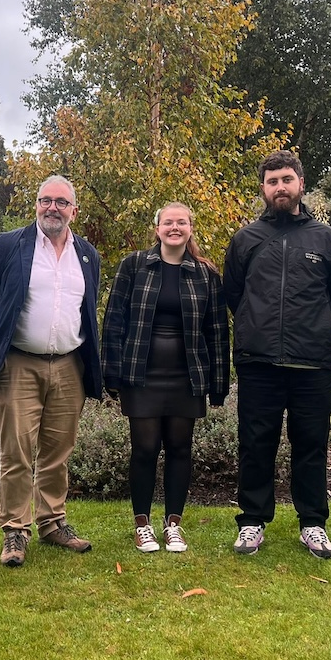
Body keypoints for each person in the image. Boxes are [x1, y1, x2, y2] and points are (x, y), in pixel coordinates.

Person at [223, 150, 331, 560]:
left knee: (311, 444)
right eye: (272, 181)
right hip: (258, 361)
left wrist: (309, 328)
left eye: (286, 179)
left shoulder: (325, 238)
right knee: (255, 443)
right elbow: (234, 295)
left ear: (300, 183)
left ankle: (312, 523)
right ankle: (252, 523)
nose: (280, 187)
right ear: (263, 188)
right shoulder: (246, 239)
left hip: (312, 362)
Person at [0, 175, 102, 567]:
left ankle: (52, 522)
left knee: (57, 451)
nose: (52, 208)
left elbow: (87, 309)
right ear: (35, 205)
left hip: (69, 365)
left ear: (74, 211)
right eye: (45, 200)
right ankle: (15, 530)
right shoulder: (7, 246)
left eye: (61, 202)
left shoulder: (87, 255)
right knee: (16, 450)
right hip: (19, 363)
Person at [101, 203, 229, 553]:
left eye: (182, 222)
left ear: (190, 228)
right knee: (143, 449)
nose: (175, 228)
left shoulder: (206, 275)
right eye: (168, 222)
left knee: (179, 449)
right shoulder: (134, 266)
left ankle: (173, 524)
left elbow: (217, 331)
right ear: (157, 229)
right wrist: (111, 373)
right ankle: (142, 524)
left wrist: (218, 384)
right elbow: (114, 321)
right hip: (141, 374)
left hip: (186, 376)